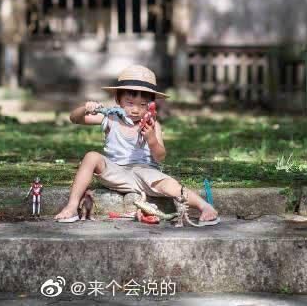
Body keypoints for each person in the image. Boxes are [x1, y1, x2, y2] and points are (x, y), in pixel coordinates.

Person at [54, 64, 219, 225]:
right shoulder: (111, 118)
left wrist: (151, 139)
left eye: (142, 105)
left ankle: (204, 206)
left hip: (145, 172)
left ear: (151, 106)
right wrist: (85, 108)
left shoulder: (152, 125)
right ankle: (72, 206)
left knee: (169, 184)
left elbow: (160, 156)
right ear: (118, 100)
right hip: (115, 171)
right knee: (91, 156)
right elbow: (74, 119)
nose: (135, 110)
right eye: (130, 103)